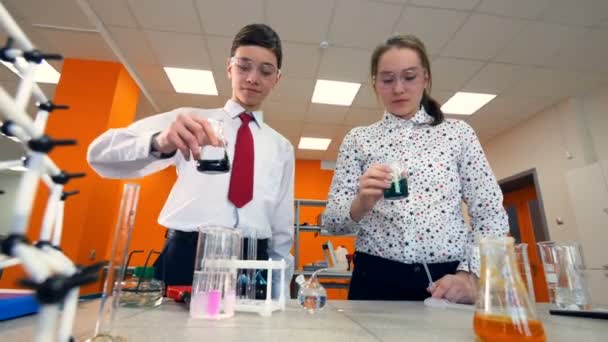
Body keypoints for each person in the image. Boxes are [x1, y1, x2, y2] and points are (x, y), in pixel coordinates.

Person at [87, 24, 294, 298]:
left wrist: (280, 292)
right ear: (229, 68)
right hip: (187, 255)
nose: (253, 78)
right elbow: (98, 155)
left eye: (265, 71)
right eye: (244, 67)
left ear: (276, 79)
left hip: (254, 261)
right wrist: (159, 141)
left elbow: (282, 227)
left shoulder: (282, 147)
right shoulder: (190, 121)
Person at [322, 35, 508, 303]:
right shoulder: (358, 140)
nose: (399, 88)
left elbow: (491, 214)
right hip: (375, 278)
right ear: (375, 84)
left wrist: (471, 275)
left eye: (409, 77)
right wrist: (361, 203)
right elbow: (332, 223)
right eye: (387, 79)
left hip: (447, 281)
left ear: (426, 79)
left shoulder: (458, 135)